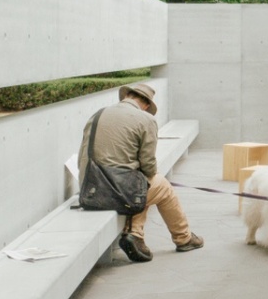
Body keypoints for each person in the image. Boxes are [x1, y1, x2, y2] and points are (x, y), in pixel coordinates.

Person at [78, 83, 203, 262]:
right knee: (161, 187)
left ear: (126, 96)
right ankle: (184, 238)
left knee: (140, 187)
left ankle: (135, 234)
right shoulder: (146, 119)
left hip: (89, 189)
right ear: (145, 104)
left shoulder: (97, 114)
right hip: (117, 191)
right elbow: (149, 166)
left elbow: (82, 157)